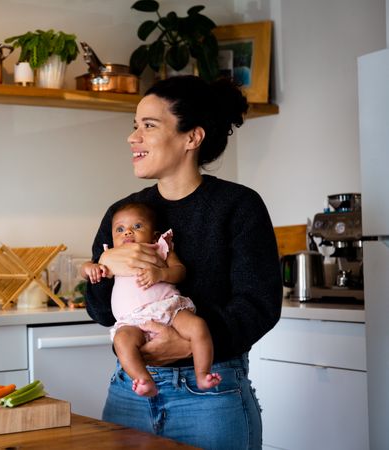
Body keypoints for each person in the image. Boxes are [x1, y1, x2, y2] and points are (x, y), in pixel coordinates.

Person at [84, 75, 282, 450]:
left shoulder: (238, 206)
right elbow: (101, 312)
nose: (133, 137)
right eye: (134, 126)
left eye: (148, 125)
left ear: (192, 137)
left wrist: (187, 344)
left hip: (211, 394)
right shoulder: (123, 214)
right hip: (130, 393)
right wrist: (107, 263)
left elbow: (259, 304)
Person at [81, 201, 220, 397]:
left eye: (137, 226)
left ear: (154, 234)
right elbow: (87, 269)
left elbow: (179, 271)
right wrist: (90, 269)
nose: (127, 232)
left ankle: (202, 374)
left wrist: (160, 274)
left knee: (198, 326)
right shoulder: (111, 257)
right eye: (120, 229)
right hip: (133, 322)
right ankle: (144, 380)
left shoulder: (160, 248)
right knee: (122, 341)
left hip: (169, 309)